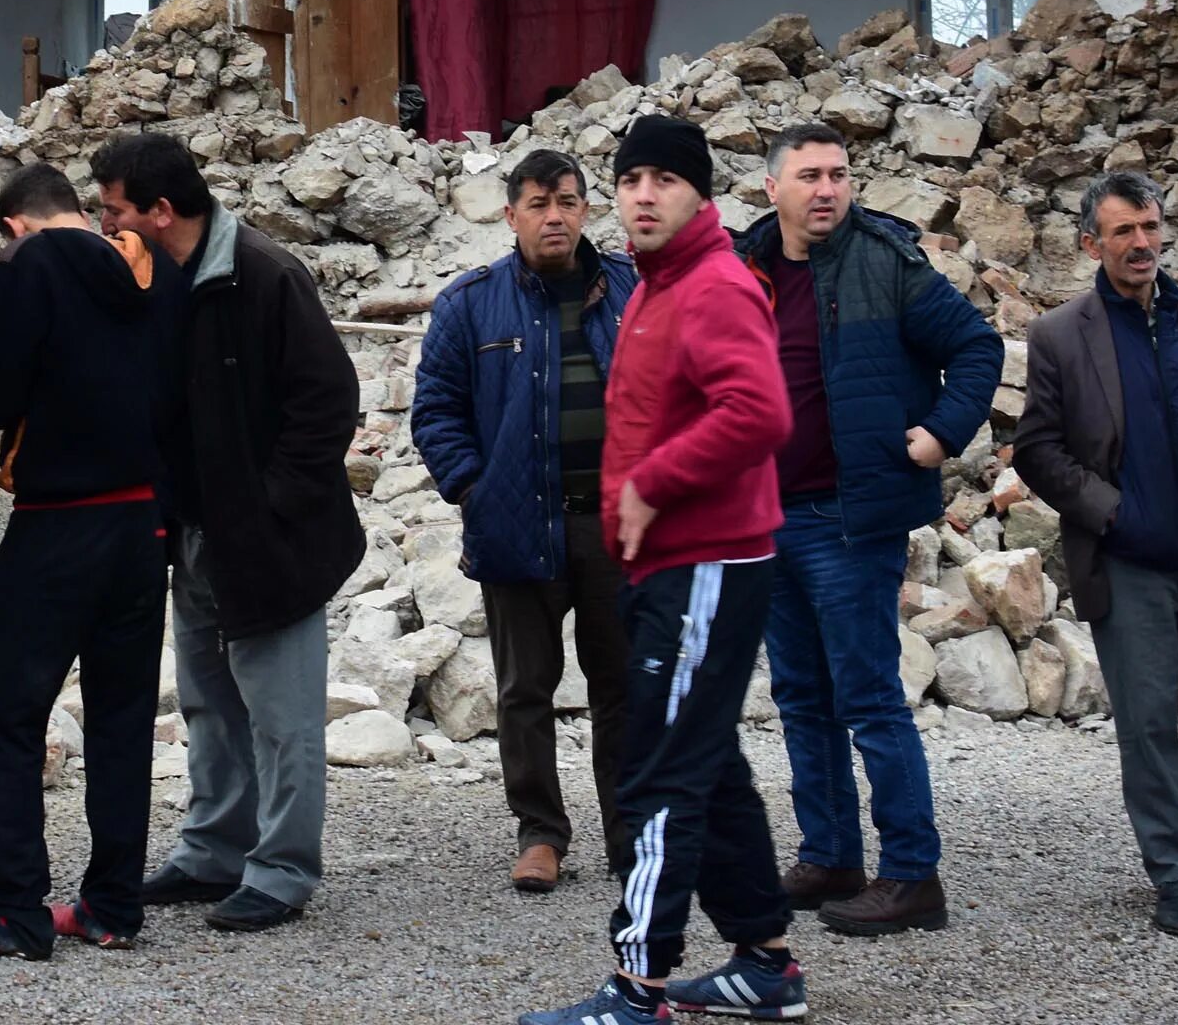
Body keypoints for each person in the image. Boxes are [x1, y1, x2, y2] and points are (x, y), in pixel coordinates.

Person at [523, 115, 803, 1025]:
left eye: (664, 180)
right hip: (674, 565)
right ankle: (765, 962)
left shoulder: (714, 284)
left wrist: (652, 485)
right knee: (707, 762)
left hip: (707, 561)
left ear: (701, 194)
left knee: (658, 772)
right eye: (631, 178)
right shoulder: (650, 283)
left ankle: (638, 985)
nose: (643, 195)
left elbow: (759, 413)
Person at [732, 123, 1001, 936]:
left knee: (870, 699)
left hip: (850, 520)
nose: (827, 189)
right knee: (802, 697)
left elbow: (978, 346)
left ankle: (914, 875)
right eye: (809, 175)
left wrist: (940, 433)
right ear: (771, 186)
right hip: (767, 519)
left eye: (839, 175)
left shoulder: (885, 261)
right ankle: (830, 856)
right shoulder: (743, 268)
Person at [96, 130, 365, 933]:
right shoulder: (161, 279)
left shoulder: (265, 275)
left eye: (116, 213)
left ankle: (282, 871)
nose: (109, 226)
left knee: (283, 718)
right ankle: (215, 851)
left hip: (273, 544)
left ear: (162, 210)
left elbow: (327, 406)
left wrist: (265, 508)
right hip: (196, 537)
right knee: (211, 706)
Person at [1011, 170, 1178, 940]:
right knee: (1146, 722)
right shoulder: (1062, 334)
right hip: (1128, 561)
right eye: (1123, 232)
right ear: (1092, 244)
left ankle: (1173, 823)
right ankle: (1175, 873)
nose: (1141, 243)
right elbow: (1037, 450)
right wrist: (1111, 511)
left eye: (1150, 227)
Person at [0, 164, 171, 960]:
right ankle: (111, 906)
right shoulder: (151, 266)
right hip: (142, 523)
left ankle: (16, 912)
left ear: (15, 224)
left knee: (7, 719)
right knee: (121, 721)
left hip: (57, 519)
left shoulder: (28, 266)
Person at [412, 148, 638, 894]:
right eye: (538, 203)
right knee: (524, 690)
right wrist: (476, 489)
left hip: (616, 526)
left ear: (585, 210)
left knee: (622, 689)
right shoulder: (470, 304)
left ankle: (631, 833)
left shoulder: (631, 291)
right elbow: (436, 409)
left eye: (567, 201)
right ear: (510, 214)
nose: (554, 216)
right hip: (515, 524)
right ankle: (540, 833)